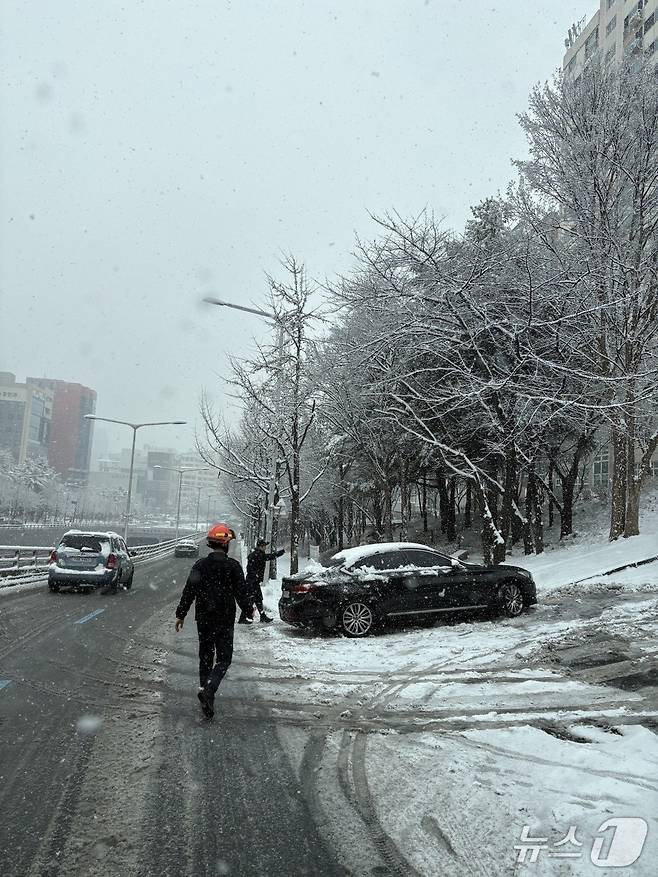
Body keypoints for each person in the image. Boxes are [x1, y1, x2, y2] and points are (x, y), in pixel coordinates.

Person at [174, 522, 252, 719]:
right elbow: (241, 593)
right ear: (226, 544)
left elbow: (189, 591)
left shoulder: (200, 565)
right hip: (225, 618)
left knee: (206, 656)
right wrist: (248, 609)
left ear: (211, 544)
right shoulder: (233, 566)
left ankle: (205, 692)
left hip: (204, 618)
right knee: (224, 659)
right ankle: (209, 689)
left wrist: (181, 614)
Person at [240, 538, 285, 624]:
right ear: (260, 546)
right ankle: (243, 618)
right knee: (251, 600)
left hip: (252, 581)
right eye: (264, 546)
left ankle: (262, 616)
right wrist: (282, 551)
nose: (265, 547)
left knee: (258, 599)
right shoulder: (258, 555)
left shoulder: (256, 554)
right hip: (252, 582)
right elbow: (271, 556)